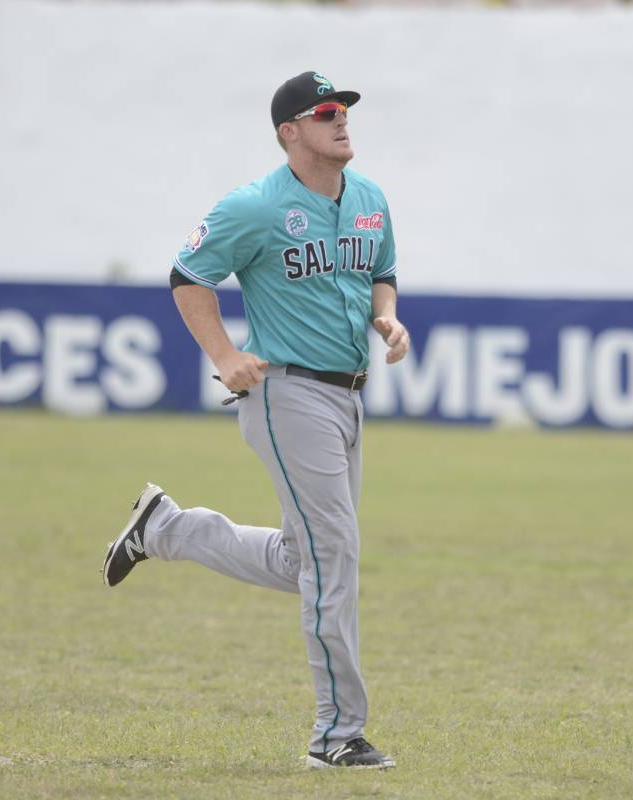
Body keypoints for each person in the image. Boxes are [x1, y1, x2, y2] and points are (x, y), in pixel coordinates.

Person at [102, 70, 408, 770]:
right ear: (289, 132)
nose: (341, 118)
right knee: (334, 555)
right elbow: (188, 275)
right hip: (288, 392)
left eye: (344, 109)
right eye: (326, 112)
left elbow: (382, 270)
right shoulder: (255, 206)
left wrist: (386, 317)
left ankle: (167, 528)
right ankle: (336, 736)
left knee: (307, 561)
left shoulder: (368, 198)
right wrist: (224, 354)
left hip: (349, 395)